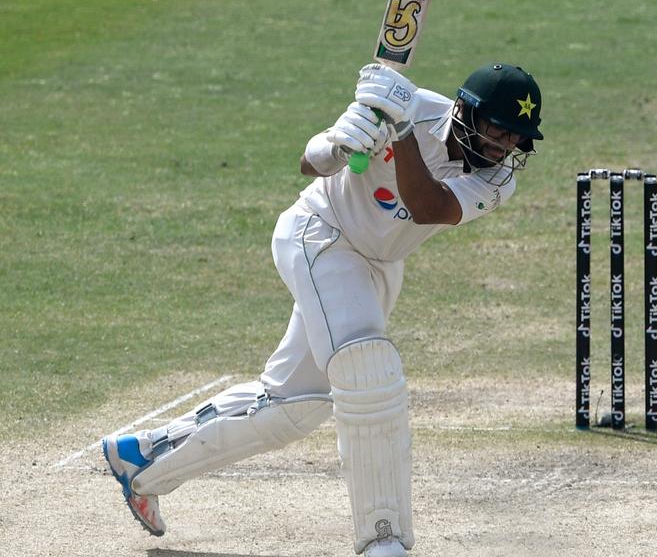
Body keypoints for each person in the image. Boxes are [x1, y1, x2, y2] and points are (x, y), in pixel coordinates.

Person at [101, 62, 545, 557]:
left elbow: (429, 207)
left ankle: (142, 460)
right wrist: (342, 143)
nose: (506, 147)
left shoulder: (495, 178)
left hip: (375, 266)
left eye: (518, 139)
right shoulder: (409, 106)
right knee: (368, 370)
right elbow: (310, 162)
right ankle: (385, 538)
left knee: (293, 408)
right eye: (499, 131)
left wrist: (396, 136)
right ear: (467, 110)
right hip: (320, 234)